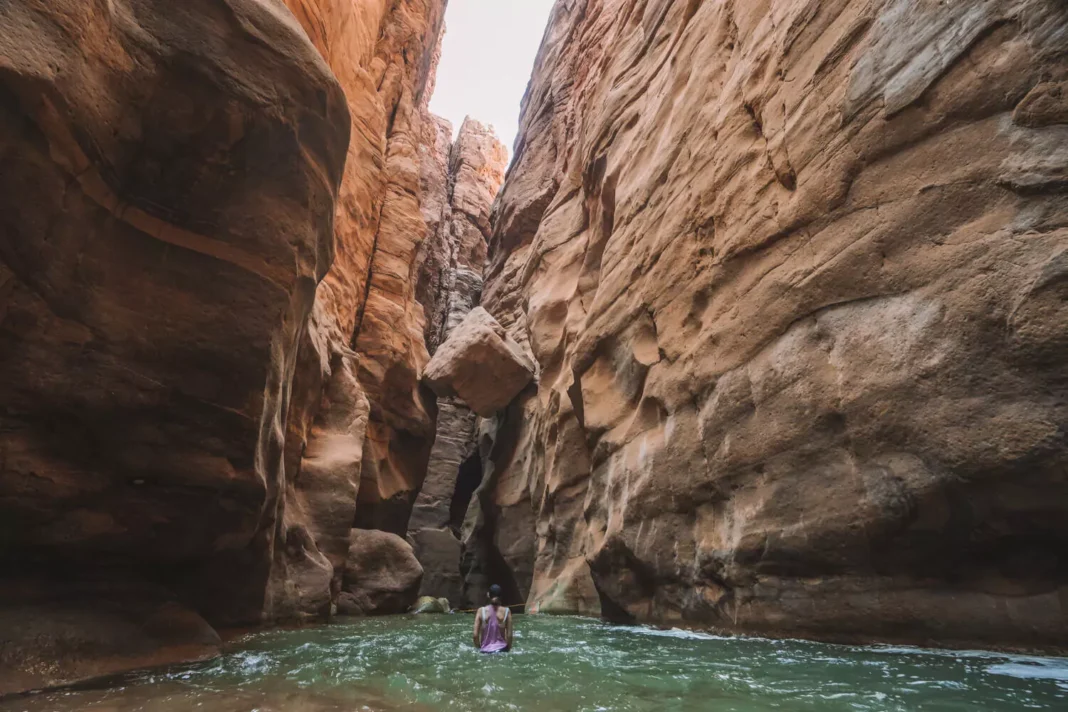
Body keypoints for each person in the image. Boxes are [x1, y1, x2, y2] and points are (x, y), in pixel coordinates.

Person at [472, 584, 513, 653]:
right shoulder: (506, 611)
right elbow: (509, 635)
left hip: (485, 651)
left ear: (488, 595)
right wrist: (508, 648)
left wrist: (479, 648)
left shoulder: (481, 611)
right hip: (502, 649)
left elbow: (475, 635)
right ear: (501, 596)